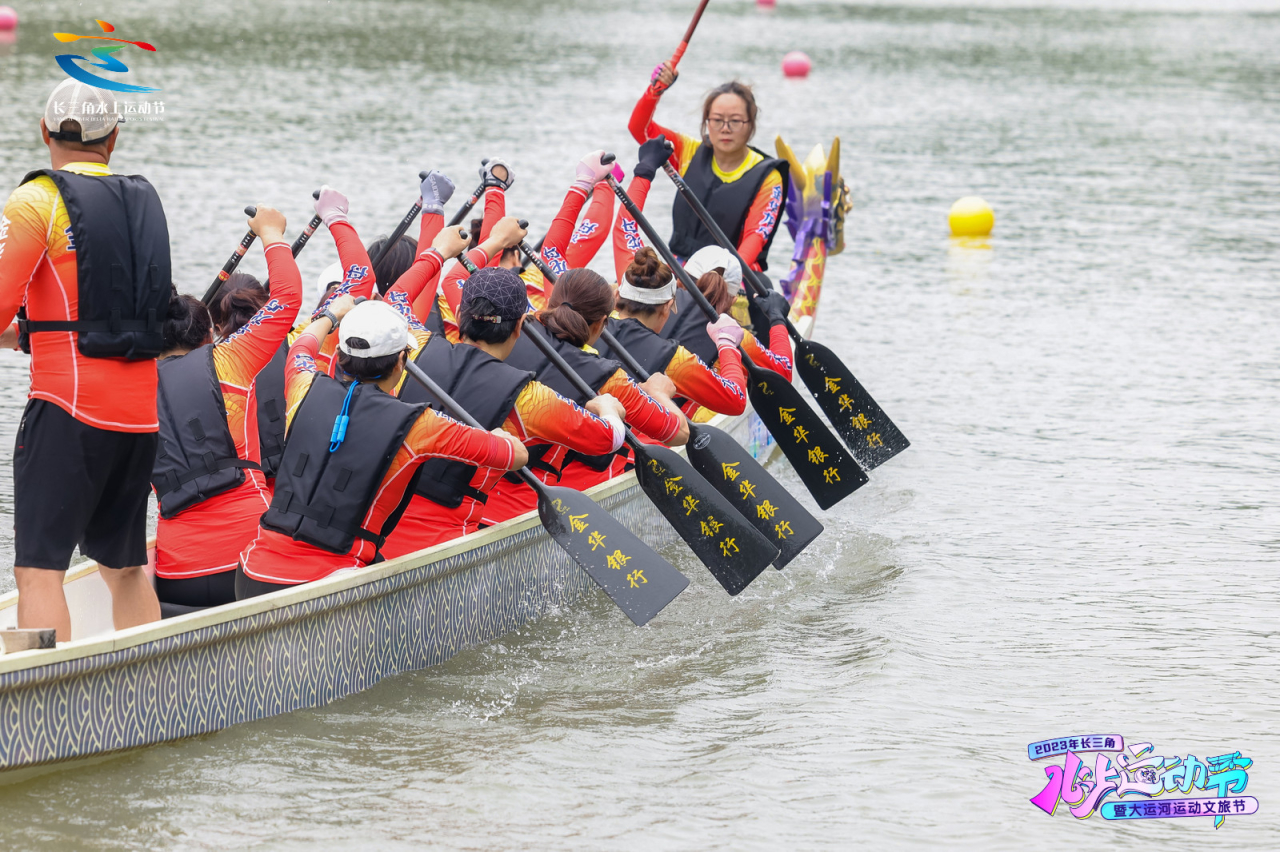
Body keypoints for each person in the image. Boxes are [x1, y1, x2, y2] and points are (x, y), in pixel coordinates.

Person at [0, 79, 173, 641]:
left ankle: (45, 707)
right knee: (123, 566)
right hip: (140, 417)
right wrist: (32, 336)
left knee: (38, 569)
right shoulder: (143, 201)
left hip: (67, 409)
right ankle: (150, 688)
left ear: (44, 133)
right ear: (113, 139)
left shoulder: (34, 201)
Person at [235, 296, 528, 597]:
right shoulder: (421, 425)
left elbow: (301, 346)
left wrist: (331, 315)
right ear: (402, 362)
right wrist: (502, 437)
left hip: (251, 575)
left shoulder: (302, 383)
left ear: (337, 353)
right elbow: (517, 457)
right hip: (330, 587)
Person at [381, 266, 628, 557]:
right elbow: (609, 439)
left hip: (377, 532)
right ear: (520, 326)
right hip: (446, 545)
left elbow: (395, 298)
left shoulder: (413, 347)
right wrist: (607, 407)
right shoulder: (530, 398)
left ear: (459, 313)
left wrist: (441, 253)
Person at [149, 206, 301, 609]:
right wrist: (271, 233)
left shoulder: (129, 385)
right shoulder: (230, 358)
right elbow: (287, 297)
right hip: (251, 565)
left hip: (176, 578)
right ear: (208, 337)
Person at [485, 267, 689, 523]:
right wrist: (659, 394)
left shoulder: (509, 332)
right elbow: (677, 434)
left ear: (549, 302)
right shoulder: (608, 379)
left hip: (470, 492)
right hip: (525, 506)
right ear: (603, 323)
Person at [630, 64, 789, 272]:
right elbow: (639, 128)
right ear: (707, 122)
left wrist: (720, 279)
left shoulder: (769, 176)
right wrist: (656, 90)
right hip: (681, 267)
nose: (725, 128)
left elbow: (755, 237)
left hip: (736, 272)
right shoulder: (687, 151)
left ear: (750, 125)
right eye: (717, 120)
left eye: (735, 121)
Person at [598, 246, 748, 418]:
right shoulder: (674, 358)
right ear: (667, 308)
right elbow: (736, 401)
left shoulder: (589, 327)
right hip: (640, 438)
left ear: (616, 296)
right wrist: (727, 343)